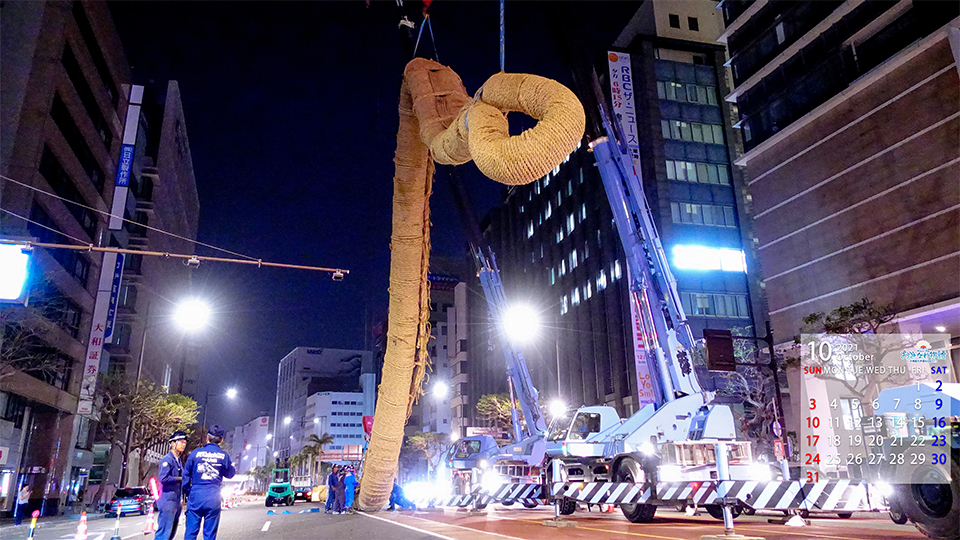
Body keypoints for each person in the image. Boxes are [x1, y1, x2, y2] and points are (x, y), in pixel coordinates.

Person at [182, 425, 236, 540]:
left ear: (207, 438)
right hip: (213, 496)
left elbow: (186, 475)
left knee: (191, 532)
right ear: (221, 440)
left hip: (196, 495)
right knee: (210, 534)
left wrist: (187, 493)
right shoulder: (223, 455)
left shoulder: (195, 453)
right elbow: (230, 474)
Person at [156, 431, 187, 540]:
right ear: (172, 443)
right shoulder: (167, 459)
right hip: (168, 500)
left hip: (176, 500)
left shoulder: (178, 460)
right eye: (181, 442)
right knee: (164, 533)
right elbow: (163, 478)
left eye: (185, 443)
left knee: (171, 533)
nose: (184, 445)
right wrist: (181, 478)